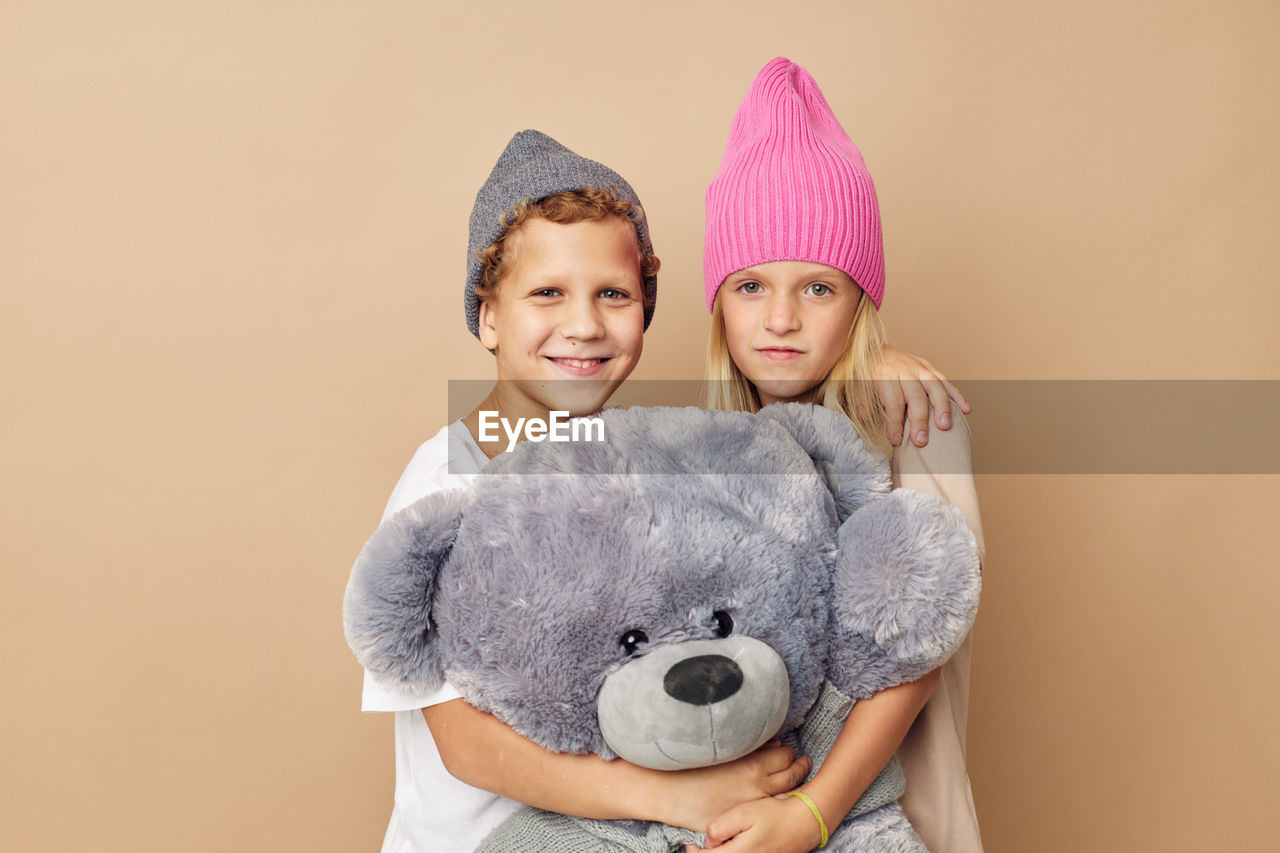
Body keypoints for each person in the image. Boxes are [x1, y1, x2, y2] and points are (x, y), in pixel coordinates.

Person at [357, 128, 969, 852]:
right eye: (547, 293)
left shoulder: (629, 459)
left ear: (645, 308)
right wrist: (669, 797)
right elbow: (464, 744)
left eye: (612, 294)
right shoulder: (444, 481)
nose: (582, 324)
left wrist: (865, 356)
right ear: (488, 315)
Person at [692, 57, 986, 852]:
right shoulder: (718, 445)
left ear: (862, 301)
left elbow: (919, 645)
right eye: (751, 285)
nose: (781, 318)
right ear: (718, 301)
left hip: (892, 817)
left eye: (818, 287)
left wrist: (813, 813)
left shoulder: (906, 413)